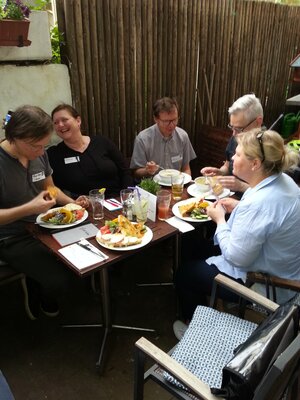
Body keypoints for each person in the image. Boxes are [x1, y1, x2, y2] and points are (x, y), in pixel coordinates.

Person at [175, 129, 300, 332]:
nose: (232, 157)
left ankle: (198, 329)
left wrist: (220, 220)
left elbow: (236, 258)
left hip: (265, 283)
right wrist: (238, 207)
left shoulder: (262, 203)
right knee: (190, 240)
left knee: (185, 274)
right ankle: (204, 302)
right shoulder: (281, 180)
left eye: (238, 154)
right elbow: (264, 217)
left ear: (255, 163)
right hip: (275, 262)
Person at [0, 105, 89, 320]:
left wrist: (72, 203)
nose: (42, 152)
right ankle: (40, 295)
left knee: (86, 252)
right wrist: (30, 208)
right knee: (59, 279)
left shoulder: (39, 154)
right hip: (12, 236)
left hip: (43, 223)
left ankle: (38, 278)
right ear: (15, 138)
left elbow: (49, 188)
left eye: (44, 145)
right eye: (36, 146)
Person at [48, 104, 133, 198]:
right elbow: (52, 188)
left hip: (117, 200)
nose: (60, 125)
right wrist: (74, 201)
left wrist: (126, 195)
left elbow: (125, 171)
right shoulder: (53, 154)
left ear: (78, 121)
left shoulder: (102, 142)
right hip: (82, 208)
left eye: (64, 120)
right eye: (55, 122)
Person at [201, 94, 263, 193]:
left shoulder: (267, 148)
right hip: (228, 196)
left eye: (239, 129)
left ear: (258, 122)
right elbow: (227, 165)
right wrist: (220, 172)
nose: (234, 134)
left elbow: (268, 194)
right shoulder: (236, 136)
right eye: (232, 127)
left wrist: (241, 186)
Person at [130, 97, 196, 179]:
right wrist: (147, 171)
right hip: (153, 187)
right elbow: (136, 172)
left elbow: (186, 169)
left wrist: (185, 183)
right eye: (166, 121)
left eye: (174, 120)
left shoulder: (183, 136)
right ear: (156, 119)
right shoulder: (143, 139)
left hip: (176, 185)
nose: (172, 125)